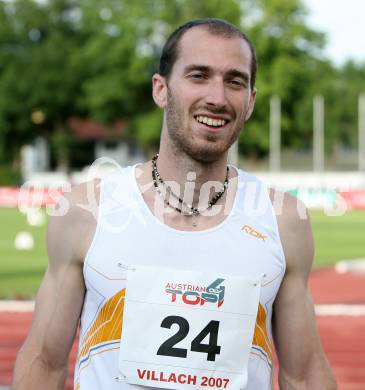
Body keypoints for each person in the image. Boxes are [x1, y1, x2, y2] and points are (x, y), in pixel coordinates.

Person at [13, 18, 337, 390]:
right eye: (198, 75)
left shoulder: (284, 221)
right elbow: (43, 362)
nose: (217, 97)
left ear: (250, 102)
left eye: (235, 81)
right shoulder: (86, 210)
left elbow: (305, 374)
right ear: (161, 89)